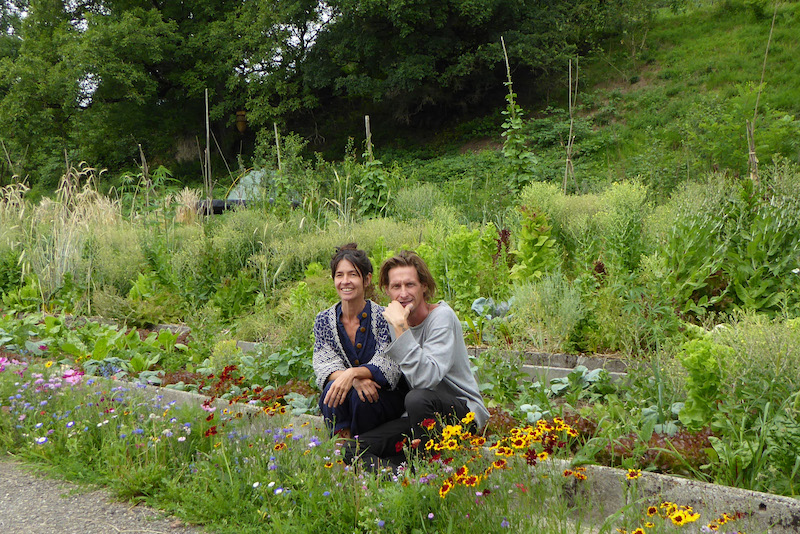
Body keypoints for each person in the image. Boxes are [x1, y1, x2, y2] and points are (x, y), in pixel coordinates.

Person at [344, 249, 490, 468]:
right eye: (396, 286)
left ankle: (426, 470)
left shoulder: (441, 318)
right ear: (387, 290)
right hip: (416, 417)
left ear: (424, 286)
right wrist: (356, 377)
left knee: (417, 398)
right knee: (353, 450)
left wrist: (401, 328)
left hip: (462, 413)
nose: (403, 293)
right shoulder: (394, 321)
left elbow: (425, 379)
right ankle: (404, 477)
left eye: (410, 284)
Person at [312, 243, 407, 440]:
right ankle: (341, 446)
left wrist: (353, 373)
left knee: (361, 397)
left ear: (367, 279)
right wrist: (352, 379)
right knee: (332, 389)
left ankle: (361, 449)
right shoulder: (323, 320)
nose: (345, 281)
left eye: (353, 275)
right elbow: (324, 364)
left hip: (383, 396)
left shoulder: (384, 317)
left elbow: (390, 364)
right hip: (349, 394)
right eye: (339, 275)